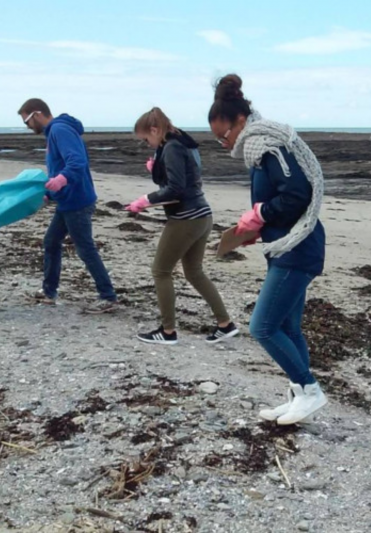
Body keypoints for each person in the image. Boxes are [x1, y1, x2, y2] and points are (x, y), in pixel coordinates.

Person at [208, 74, 327, 425]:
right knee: (288, 329)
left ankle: (310, 390)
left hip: (298, 249)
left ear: (241, 121)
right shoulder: (259, 151)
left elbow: (296, 195)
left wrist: (260, 213)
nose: (223, 143)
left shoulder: (270, 148)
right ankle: (299, 396)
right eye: (217, 139)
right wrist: (256, 229)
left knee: (262, 327)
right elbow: (281, 202)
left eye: (224, 134)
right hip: (285, 247)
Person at [127, 107, 239, 345]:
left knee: (161, 271)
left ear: (155, 130)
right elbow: (187, 178)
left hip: (186, 218)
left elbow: (175, 189)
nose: (147, 144)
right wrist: (157, 169)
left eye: (146, 139)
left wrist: (146, 200)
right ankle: (225, 324)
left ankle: (167, 332)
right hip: (202, 216)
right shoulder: (183, 142)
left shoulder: (172, 147)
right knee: (194, 272)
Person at [18, 98, 117, 313]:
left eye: (26, 121)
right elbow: (58, 168)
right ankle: (49, 292)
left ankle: (107, 296)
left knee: (85, 249)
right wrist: (49, 194)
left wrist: (61, 181)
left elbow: (77, 161)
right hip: (66, 200)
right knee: (51, 242)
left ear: (36, 114)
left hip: (77, 201)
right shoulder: (55, 132)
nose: (27, 127)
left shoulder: (60, 130)